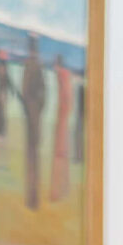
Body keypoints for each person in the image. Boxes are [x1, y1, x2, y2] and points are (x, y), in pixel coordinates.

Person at [20, 32, 47, 212]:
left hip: (33, 117)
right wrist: (35, 109)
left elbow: (37, 93)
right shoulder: (34, 65)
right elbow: (41, 93)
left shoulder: (32, 65)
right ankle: (32, 199)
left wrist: (32, 110)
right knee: (32, 157)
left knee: (32, 158)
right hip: (33, 116)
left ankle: (33, 200)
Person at [50, 53, 75, 202]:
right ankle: (62, 189)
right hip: (63, 119)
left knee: (60, 155)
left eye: (55, 66)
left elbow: (67, 99)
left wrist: (62, 114)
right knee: (62, 155)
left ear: (57, 65)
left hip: (62, 120)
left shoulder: (63, 76)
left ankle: (58, 192)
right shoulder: (64, 76)